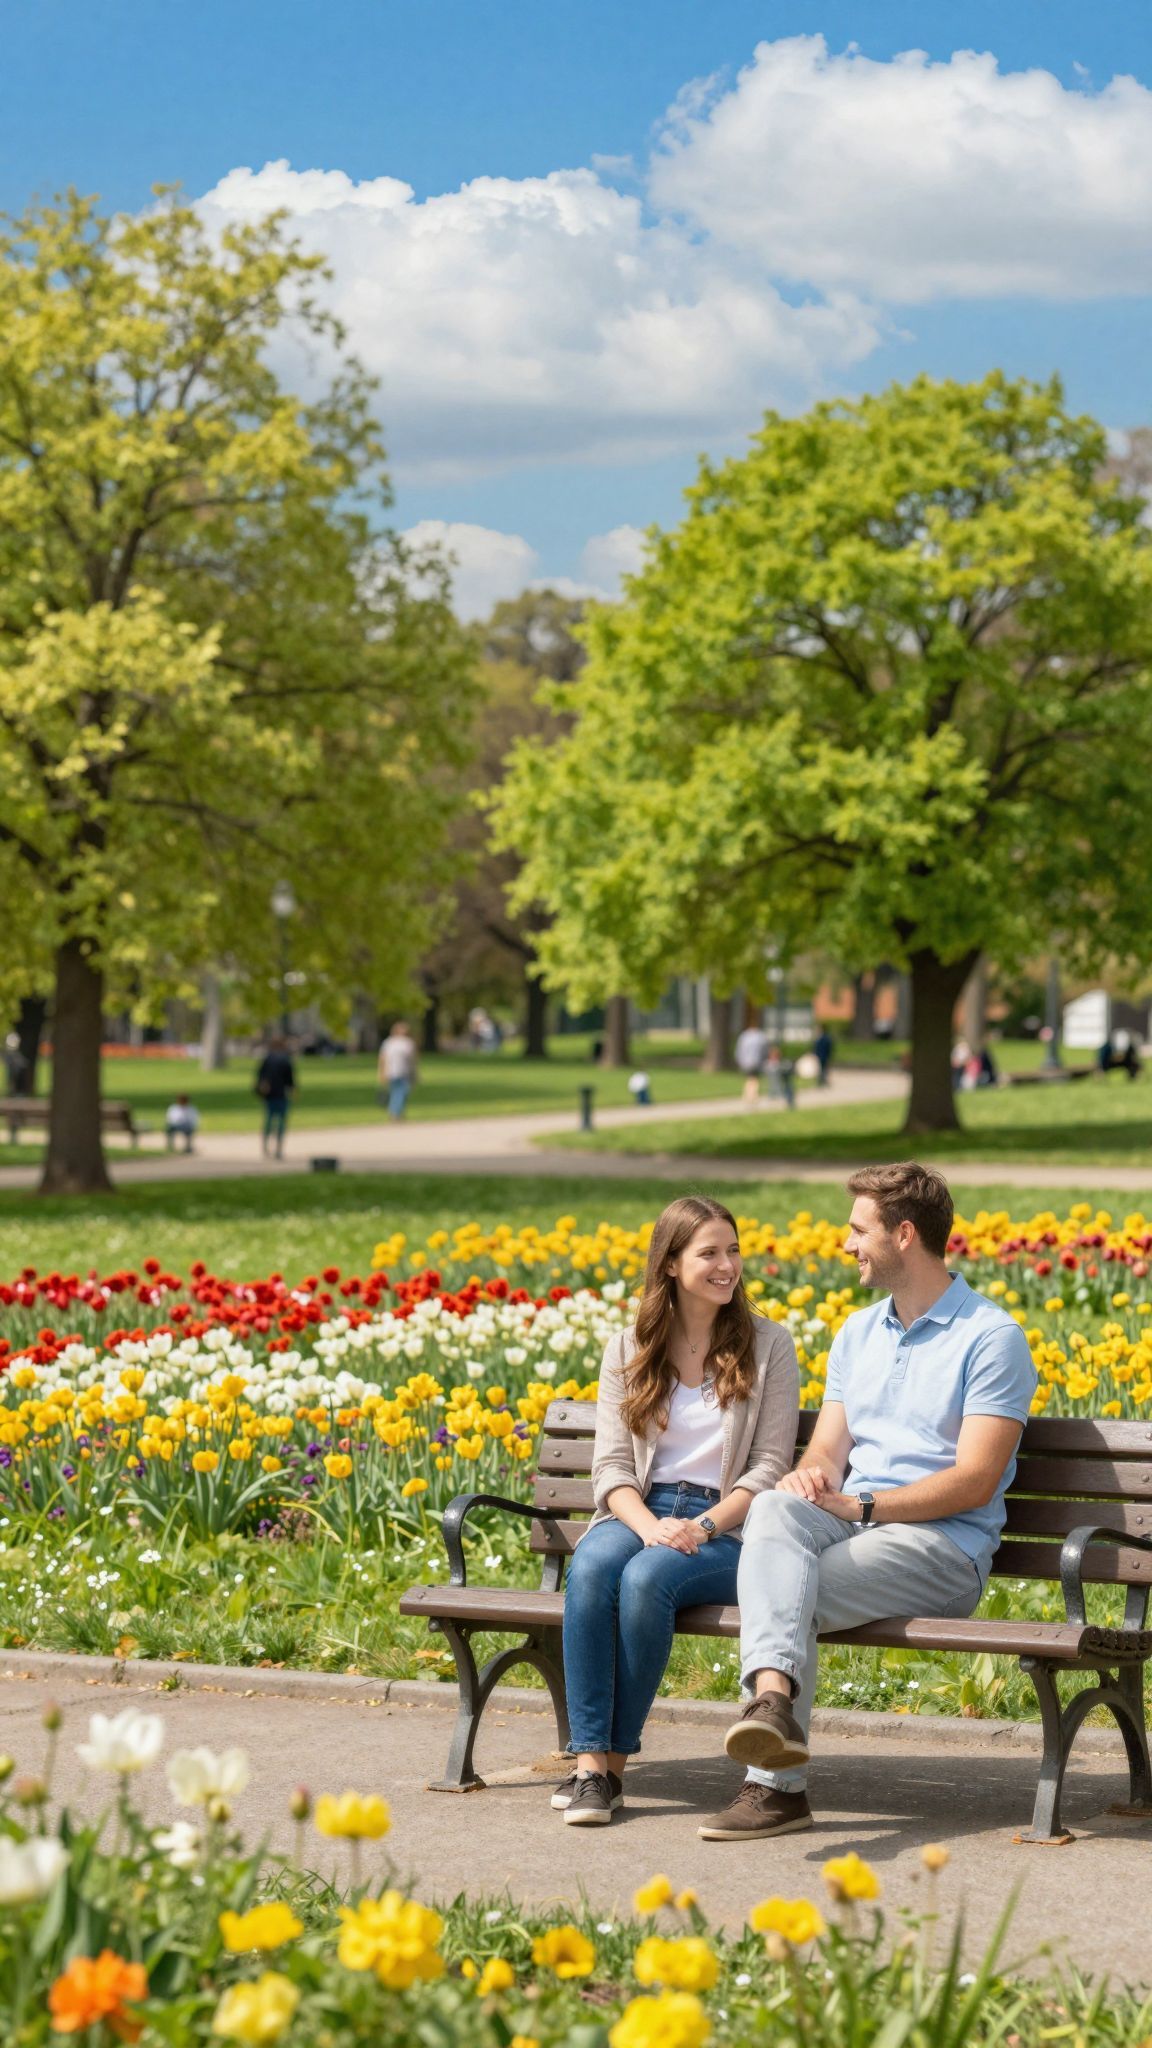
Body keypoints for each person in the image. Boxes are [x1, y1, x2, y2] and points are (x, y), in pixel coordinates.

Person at [699, 1161, 1036, 1841]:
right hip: (855, 1529)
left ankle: (774, 1789)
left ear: (903, 1234)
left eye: (858, 1230)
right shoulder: (858, 1333)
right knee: (772, 1509)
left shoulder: (991, 1339)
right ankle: (773, 1709)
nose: (844, 1243)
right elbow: (827, 1453)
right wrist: (811, 1479)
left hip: (944, 1550)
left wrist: (866, 1507)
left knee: (789, 1589)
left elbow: (973, 1480)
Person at [557, 1195, 800, 1827]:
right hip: (641, 1511)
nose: (728, 1266)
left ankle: (612, 1767)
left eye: (734, 1251)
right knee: (590, 1570)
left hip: (729, 1526)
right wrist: (650, 1525)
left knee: (645, 1579)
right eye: (710, 1253)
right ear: (670, 1263)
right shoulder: (629, 1348)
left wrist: (703, 1525)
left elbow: (768, 1469)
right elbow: (611, 1469)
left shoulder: (770, 1345)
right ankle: (589, 1768)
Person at [255, 1036, 296, 1159]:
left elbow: (260, 1076)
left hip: (270, 1095)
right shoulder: (285, 1060)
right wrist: (292, 1090)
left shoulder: (267, 1059)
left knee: (269, 1120)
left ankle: (266, 1146)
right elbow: (290, 1079)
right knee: (281, 1122)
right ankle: (278, 1148)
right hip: (281, 1094)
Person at [378, 1021, 418, 1120]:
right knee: (398, 1092)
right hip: (393, 1071)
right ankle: (395, 1112)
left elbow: (413, 1060)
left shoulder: (407, 1043)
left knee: (401, 1092)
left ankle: (397, 1111)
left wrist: (414, 1073)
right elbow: (383, 1058)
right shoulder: (390, 1043)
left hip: (404, 1072)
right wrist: (382, 1072)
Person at [734, 1021, 769, 1108]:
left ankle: (748, 1096)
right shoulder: (761, 1036)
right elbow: (765, 1050)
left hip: (745, 1062)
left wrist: (740, 1060)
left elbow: (739, 1050)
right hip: (757, 1061)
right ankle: (753, 1096)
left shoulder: (744, 1036)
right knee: (754, 1079)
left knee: (749, 1078)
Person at [764, 1044, 795, 1109]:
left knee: (788, 1084)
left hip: (777, 1087)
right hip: (779, 1088)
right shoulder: (775, 1066)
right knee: (788, 1085)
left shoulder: (769, 1065)